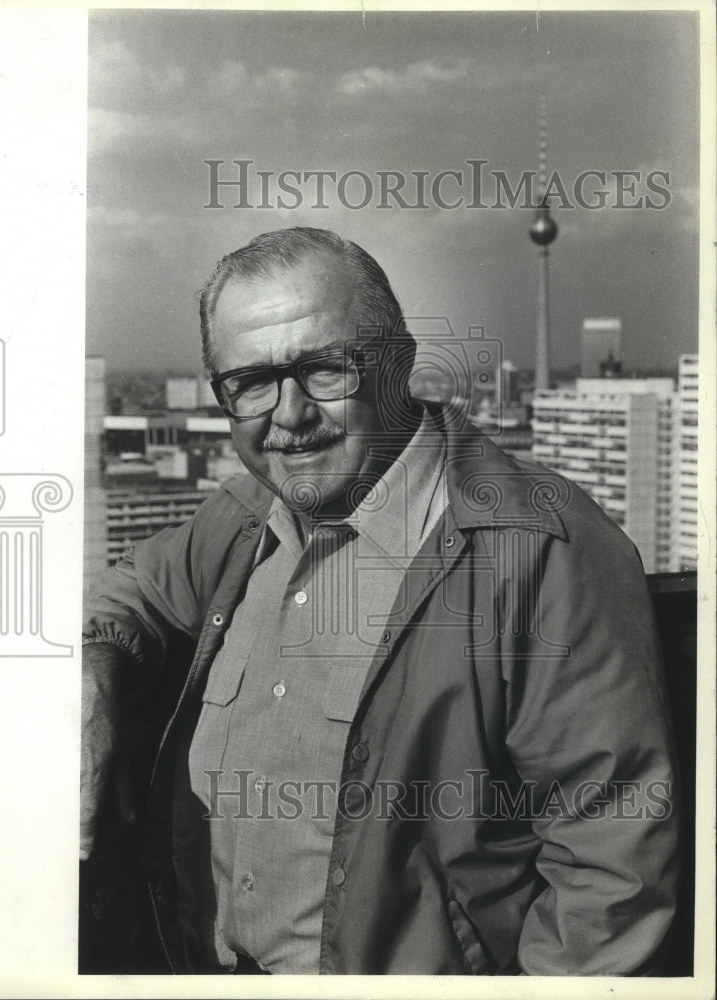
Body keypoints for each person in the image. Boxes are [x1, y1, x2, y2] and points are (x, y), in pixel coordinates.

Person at [81, 226, 679, 976]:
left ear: (398, 366)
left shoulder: (537, 547)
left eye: (325, 369)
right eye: (251, 383)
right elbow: (135, 589)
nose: (289, 414)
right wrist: (97, 668)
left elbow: (611, 869)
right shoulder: (239, 518)